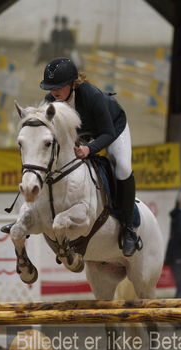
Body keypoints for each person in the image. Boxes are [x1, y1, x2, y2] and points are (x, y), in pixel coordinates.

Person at [39, 57, 141, 257]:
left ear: (72, 83)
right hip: (84, 136)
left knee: (122, 168)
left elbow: (107, 133)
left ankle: (128, 229)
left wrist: (90, 149)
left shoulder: (91, 96)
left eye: (58, 86)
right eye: (50, 87)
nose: (53, 91)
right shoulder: (50, 102)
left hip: (112, 128)